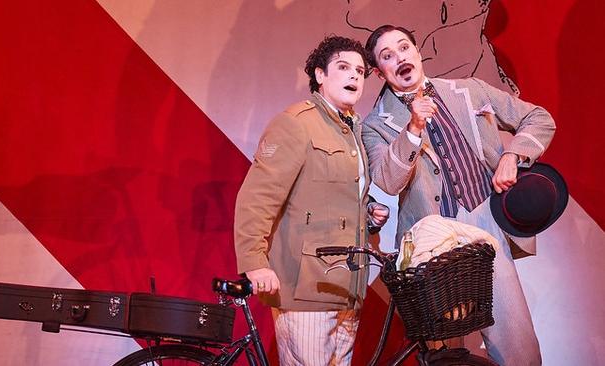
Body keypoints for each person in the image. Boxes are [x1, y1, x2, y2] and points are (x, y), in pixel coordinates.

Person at [362, 25, 556, 365]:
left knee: (519, 347)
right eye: (387, 56)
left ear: (417, 51)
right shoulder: (375, 124)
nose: (400, 59)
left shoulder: (469, 90)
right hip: (432, 242)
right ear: (380, 72)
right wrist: (412, 130)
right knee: (446, 354)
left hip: (485, 225)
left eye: (404, 47)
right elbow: (387, 181)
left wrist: (513, 155)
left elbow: (539, 118)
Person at [234, 35, 389, 366]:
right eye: (343, 68)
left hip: (347, 286)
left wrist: (368, 213)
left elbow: (332, 199)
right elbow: (258, 196)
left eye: (360, 71)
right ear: (320, 75)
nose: (354, 77)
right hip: (307, 286)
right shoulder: (296, 124)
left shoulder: (352, 132)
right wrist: (255, 261)